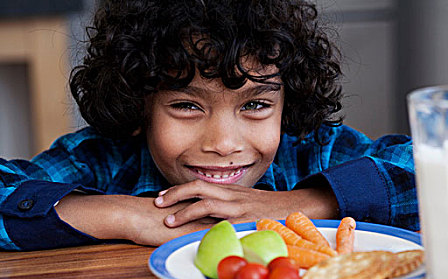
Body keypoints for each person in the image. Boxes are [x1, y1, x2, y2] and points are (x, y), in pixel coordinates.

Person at [0, 0, 418, 251]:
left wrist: (304, 205)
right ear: (138, 103)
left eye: (255, 104)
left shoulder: (313, 151)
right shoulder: (103, 160)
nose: (223, 143)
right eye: (186, 106)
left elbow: (433, 170)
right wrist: (124, 217)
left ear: (287, 102)